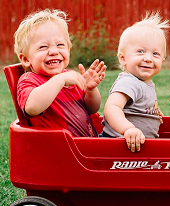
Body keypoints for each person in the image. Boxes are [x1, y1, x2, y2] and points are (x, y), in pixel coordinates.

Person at [15, 9, 107, 137]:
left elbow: (92, 109)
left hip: (85, 145)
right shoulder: (29, 80)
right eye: (43, 47)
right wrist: (60, 80)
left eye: (60, 45)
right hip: (59, 150)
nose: (53, 51)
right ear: (25, 59)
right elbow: (32, 107)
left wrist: (90, 90)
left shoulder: (69, 77)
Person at [101, 12, 170, 152]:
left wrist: (152, 113)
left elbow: (137, 106)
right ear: (123, 58)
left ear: (162, 60)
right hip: (117, 146)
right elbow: (111, 108)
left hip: (135, 148)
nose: (149, 58)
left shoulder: (145, 82)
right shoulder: (129, 82)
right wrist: (128, 129)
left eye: (155, 54)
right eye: (140, 51)